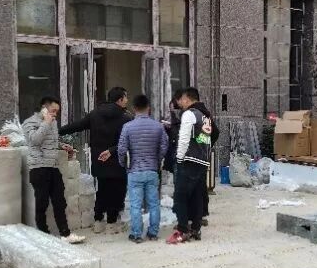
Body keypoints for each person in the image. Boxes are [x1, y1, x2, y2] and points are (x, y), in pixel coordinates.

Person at [61, 87, 132, 234]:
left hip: (99, 160)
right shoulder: (126, 118)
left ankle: (98, 221)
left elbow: (77, 126)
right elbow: (128, 141)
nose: (127, 100)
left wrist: (57, 131)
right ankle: (111, 223)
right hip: (117, 161)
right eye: (125, 97)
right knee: (117, 191)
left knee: (102, 189)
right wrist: (112, 151)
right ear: (120, 99)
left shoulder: (95, 114)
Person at [22, 96, 85, 244]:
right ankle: (42, 233)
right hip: (39, 167)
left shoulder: (53, 122)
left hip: (53, 166)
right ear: (44, 108)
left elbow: (50, 141)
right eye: (53, 110)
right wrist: (46, 122)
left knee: (59, 201)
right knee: (42, 202)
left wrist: (62, 146)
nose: (55, 114)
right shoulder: (29, 122)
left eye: (57, 111)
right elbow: (35, 140)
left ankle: (65, 233)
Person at [117, 94, 168, 243]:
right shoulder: (158, 126)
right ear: (148, 108)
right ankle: (153, 232)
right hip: (152, 170)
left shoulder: (127, 127)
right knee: (154, 203)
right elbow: (164, 146)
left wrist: (124, 164)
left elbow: (121, 149)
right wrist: (157, 160)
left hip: (134, 171)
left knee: (135, 204)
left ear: (134, 108)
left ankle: (136, 234)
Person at [167, 87, 212, 244]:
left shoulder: (189, 114)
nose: (181, 102)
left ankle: (182, 230)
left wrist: (179, 159)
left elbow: (184, 138)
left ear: (187, 99)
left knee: (180, 196)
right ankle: (196, 229)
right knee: (197, 196)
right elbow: (204, 140)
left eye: (183, 99)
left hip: (189, 160)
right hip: (202, 161)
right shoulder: (205, 117)